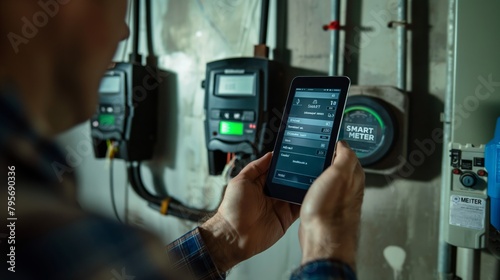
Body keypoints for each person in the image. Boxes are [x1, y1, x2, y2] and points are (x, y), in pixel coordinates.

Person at [0, 1, 365, 279]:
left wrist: (226, 235)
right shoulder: (40, 233)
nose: (124, 33)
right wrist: (326, 245)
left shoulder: (26, 196)